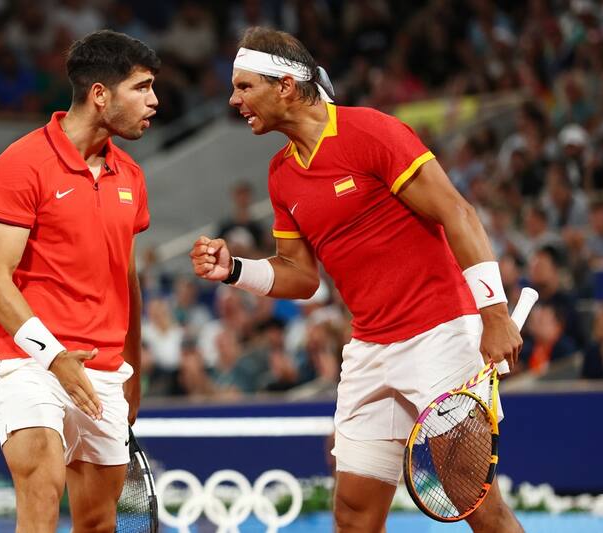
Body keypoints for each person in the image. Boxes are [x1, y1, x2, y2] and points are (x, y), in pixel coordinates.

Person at [190, 27, 523, 533]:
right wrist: (234, 269)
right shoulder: (281, 175)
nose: (234, 99)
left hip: (440, 336)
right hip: (370, 349)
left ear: (285, 85)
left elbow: (459, 213)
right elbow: (300, 278)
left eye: (244, 86)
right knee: (352, 513)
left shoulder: (371, 131)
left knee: (475, 502)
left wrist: (494, 314)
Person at [0, 30, 158, 533]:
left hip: (104, 370)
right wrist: (54, 357)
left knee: (98, 521)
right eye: (141, 87)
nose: (154, 100)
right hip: (30, 361)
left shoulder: (133, 178)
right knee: (42, 482)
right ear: (101, 94)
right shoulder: (20, 165)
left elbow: (127, 281)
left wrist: (134, 372)